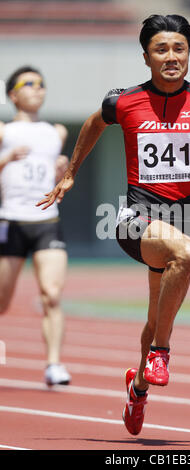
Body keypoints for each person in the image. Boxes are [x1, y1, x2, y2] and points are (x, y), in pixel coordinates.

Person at [37, 14, 190, 434]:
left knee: (154, 319)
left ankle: (138, 388)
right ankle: (162, 353)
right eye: (161, 49)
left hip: (183, 220)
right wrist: (72, 171)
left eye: (179, 48)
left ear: (189, 53)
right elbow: (93, 124)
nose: (171, 57)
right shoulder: (123, 101)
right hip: (134, 220)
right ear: (146, 55)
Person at [0, 65, 71, 386]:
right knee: (2, 301)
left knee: (52, 295)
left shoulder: (56, 132)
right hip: (10, 221)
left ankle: (53, 365)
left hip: (47, 221)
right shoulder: (4, 131)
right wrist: (7, 158)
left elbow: (63, 180)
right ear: (13, 94)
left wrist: (64, 170)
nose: (38, 89)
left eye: (41, 84)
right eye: (29, 84)